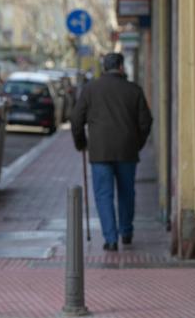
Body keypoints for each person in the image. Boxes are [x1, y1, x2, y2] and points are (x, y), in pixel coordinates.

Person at [70, 53, 152, 251]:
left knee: (103, 194)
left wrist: (81, 143)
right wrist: (137, 144)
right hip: (127, 151)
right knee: (127, 193)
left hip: (100, 151)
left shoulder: (91, 89)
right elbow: (146, 122)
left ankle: (111, 238)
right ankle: (126, 232)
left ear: (105, 68)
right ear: (122, 67)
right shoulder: (134, 90)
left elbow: (76, 120)